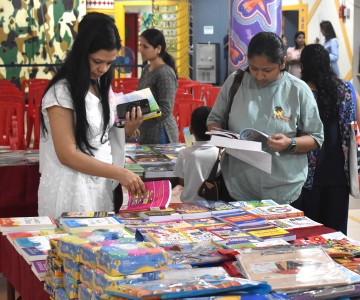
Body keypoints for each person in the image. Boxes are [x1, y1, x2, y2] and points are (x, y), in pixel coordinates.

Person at [38, 12, 146, 219]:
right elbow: (67, 154)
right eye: (97, 61)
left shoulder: (100, 86)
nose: (103, 69)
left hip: (99, 187)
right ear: (82, 53)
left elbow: (100, 138)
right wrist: (120, 172)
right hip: (71, 188)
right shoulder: (61, 92)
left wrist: (129, 129)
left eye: (109, 63)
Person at [207, 31, 324, 205]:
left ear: (282, 62)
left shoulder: (298, 90)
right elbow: (214, 120)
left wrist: (290, 143)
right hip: (238, 187)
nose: (259, 76)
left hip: (284, 190)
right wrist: (222, 136)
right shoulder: (235, 82)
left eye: (267, 70)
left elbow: (316, 138)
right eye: (254, 68)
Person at [299, 44, 354, 234]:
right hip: (340, 172)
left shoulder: (301, 91)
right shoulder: (346, 89)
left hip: (307, 175)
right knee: (336, 235)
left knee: (308, 234)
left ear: (303, 66)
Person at [137, 28, 179, 144]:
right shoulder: (147, 69)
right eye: (140, 45)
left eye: (145, 47)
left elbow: (165, 109)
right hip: (146, 131)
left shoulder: (165, 73)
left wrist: (140, 112)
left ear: (158, 49)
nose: (140, 50)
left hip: (161, 133)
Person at [173, 106, 219, 203]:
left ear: (190, 130)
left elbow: (182, 181)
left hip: (188, 204)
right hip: (212, 203)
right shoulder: (219, 153)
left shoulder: (184, 153)